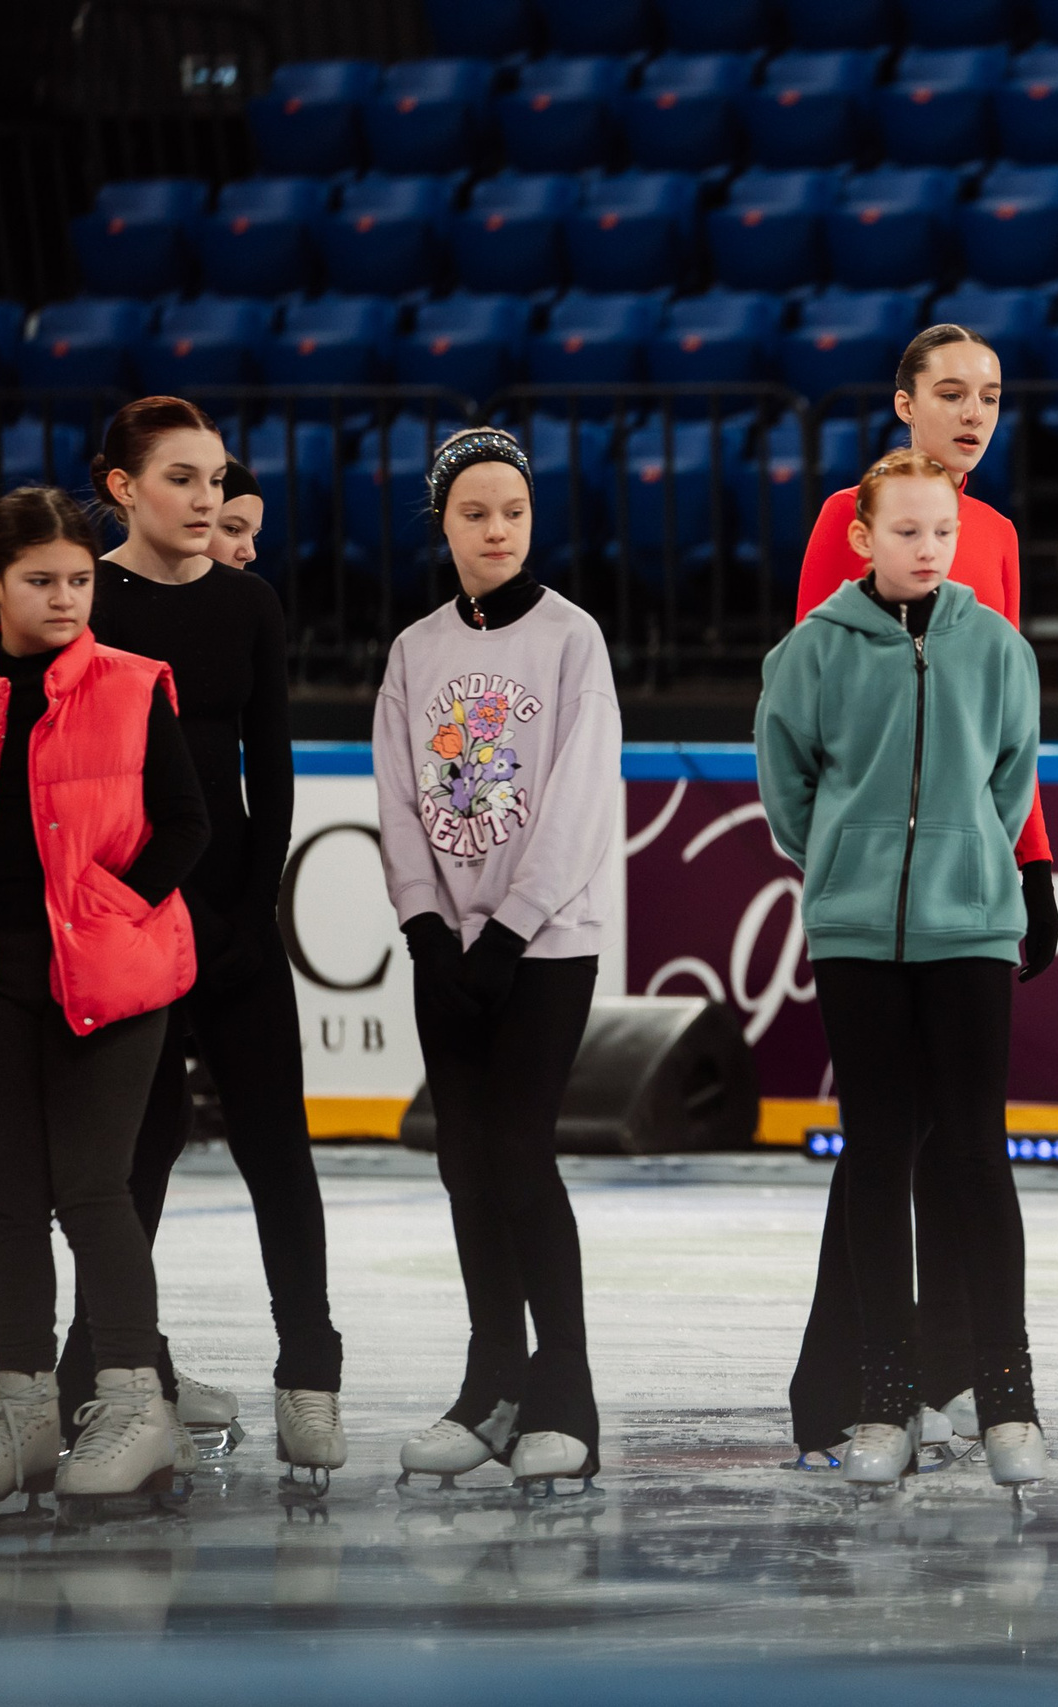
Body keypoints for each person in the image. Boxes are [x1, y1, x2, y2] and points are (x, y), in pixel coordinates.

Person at [785, 324, 1056, 1461]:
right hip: (871, 888)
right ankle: (844, 1387)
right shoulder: (848, 521)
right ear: (903, 403)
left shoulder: (990, 531)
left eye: (988, 395)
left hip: (969, 887)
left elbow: (1005, 737)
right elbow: (816, 705)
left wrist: (1025, 863)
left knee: (960, 1144)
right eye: (949, 392)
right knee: (882, 1143)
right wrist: (847, 861)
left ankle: (953, 1373)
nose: (972, 412)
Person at [80, 405, 344, 1485]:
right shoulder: (81, 599)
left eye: (215, 478)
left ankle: (310, 1375)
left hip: (232, 924)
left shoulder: (248, 603)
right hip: (123, 924)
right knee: (130, 1167)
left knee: (277, 1151)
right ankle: (112, 1381)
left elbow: (271, 775)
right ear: (121, 487)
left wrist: (247, 914)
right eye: (180, 479)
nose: (203, 500)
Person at [374, 427, 622, 1494]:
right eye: (474, 513)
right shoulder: (414, 650)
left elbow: (577, 798)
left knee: (518, 1153)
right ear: (444, 523)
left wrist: (512, 928)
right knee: (463, 1161)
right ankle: (492, 1384)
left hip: (547, 944)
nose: (494, 529)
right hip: (450, 944)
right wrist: (427, 927)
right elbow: (397, 798)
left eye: (511, 512)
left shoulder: (572, 640)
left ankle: (565, 1393)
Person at [0, 486, 209, 1509]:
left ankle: (133, 1403)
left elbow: (189, 828)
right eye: (42, 582)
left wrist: (115, 908)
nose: (67, 600)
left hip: (109, 973)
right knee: (4, 1194)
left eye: (78, 581)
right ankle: (21, 1410)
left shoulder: (133, 683)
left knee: (91, 1190)